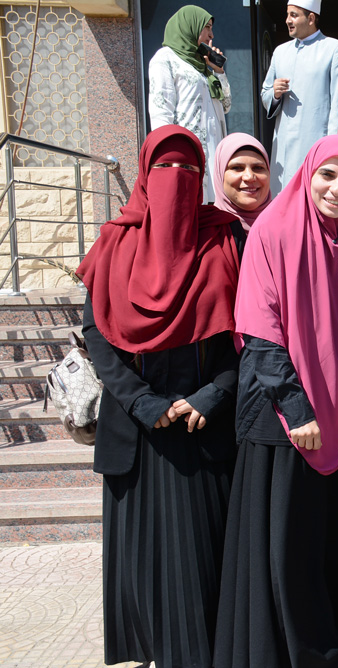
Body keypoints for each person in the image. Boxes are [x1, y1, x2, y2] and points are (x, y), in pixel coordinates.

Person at [76, 125, 242, 668]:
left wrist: (213, 394)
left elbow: (247, 330)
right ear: (145, 176)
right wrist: (141, 401)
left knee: (204, 556)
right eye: (165, 168)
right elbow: (97, 333)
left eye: (189, 169)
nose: (177, 179)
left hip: (202, 425)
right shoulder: (113, 242)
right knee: (146, 558)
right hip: (137, 429)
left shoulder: (223, 237)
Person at [214, 135, 338, 668]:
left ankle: (335, 633)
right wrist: (298, 408)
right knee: (288, 543)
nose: (337, 189)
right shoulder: (273, 229)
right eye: (327, 175)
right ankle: (306, 653)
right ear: (307, 174)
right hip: (281, 409)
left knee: (329, 537)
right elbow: (260, 328)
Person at [262, 0, 338, 194]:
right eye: (287, 15)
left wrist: (333, 148)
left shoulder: (334, 49)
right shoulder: (280, 52)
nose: (287, 20)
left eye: (294, 15)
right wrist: (275, 93)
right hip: (283, 146)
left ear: (311, 18)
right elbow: (265, 93)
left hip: (315, 142)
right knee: (283, 198)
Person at [148, 5, 230, 203]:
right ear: (190, 26)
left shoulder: (204, 65)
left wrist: (218, 71)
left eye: (211, 28)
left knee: (212, 208)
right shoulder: (165, 58)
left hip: (213, 152)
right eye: (207, 27)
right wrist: (170, 157)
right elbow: (161, 111)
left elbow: (226, 105)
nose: (211, 35)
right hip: (186, 153)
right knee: (188, 203)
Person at [212, 132, 272, 230]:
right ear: (220, 175)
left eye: (258, 167)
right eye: (237, 168)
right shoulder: (204, 231)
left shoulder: (290, 224)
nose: (249, 177)